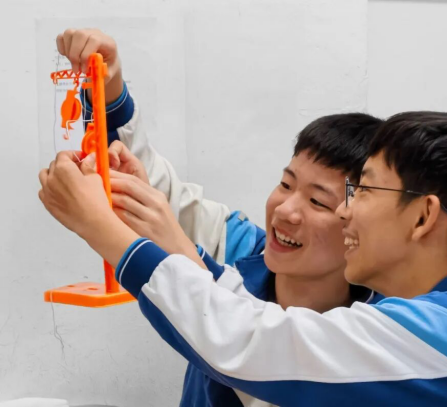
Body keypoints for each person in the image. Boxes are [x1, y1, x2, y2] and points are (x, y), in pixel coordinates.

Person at [39, 110, 447, 406]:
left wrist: (103, 230)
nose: (347, 212)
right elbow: (253, 320)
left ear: (422, 217)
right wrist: (163, 233)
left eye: (362, 190)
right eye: (286, 184)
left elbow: (255, 342)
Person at [56, 28, 382, 406]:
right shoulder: (242, 248)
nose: (285, 210)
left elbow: (255, 355)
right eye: (286, 183)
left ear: (360, 226)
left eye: (318, 202)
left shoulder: (370, 338)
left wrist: (159, 246)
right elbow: (160, 193)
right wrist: (108, 88)